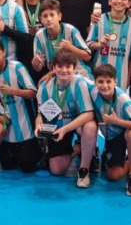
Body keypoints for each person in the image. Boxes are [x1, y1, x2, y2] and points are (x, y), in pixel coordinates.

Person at [34, 49, 96, 188]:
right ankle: (77, 150)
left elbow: (89, 114)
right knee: (57, 170)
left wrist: (65, 129)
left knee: (90, 126)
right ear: (53, 67)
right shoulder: (45, 87)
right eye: (60, 66)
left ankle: (83, 170)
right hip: (58, 126)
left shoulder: (80, 83)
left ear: (74, 68)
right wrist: (38, 125)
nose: (64, 70)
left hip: (77, 124)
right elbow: (40, 114)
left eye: (68, 67)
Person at [0, 37, 40, 173]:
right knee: (7, 165)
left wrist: (12, 91)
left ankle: (40, 147)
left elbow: (33, 93)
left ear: (4, 52)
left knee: (28, 167)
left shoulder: (17, 67)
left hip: (25, 127)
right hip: (7, 128)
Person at [89, 64, 131, 197]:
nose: (105, 85)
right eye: (100, 81)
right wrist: (51, 74)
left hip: (126, 135)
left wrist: (116, 121)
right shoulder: (93, 91)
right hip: (112, 138)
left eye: (108, 81)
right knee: (113, 175)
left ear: (115, 81)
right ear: (95, 82)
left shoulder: (123, 100)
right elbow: (75, 76)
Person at [87, 0, 131, 89]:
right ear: (109, 1)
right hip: (99, 74)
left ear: (128, 3)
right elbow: (89, 45)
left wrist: (128, 78)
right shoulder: (99, 19)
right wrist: (99, 44)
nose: (119, 1)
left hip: (121, 76)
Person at [32, 0, 92, 78]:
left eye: (52, 15)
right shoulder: (39, 36)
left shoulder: (70, 30)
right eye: (45, 16)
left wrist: (71, 48)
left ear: (59, 16)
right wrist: (35, 64)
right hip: (58, 76)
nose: (49, 19)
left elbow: (88, 56)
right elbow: (38, 68)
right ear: (41, 20)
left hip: (80, 75)